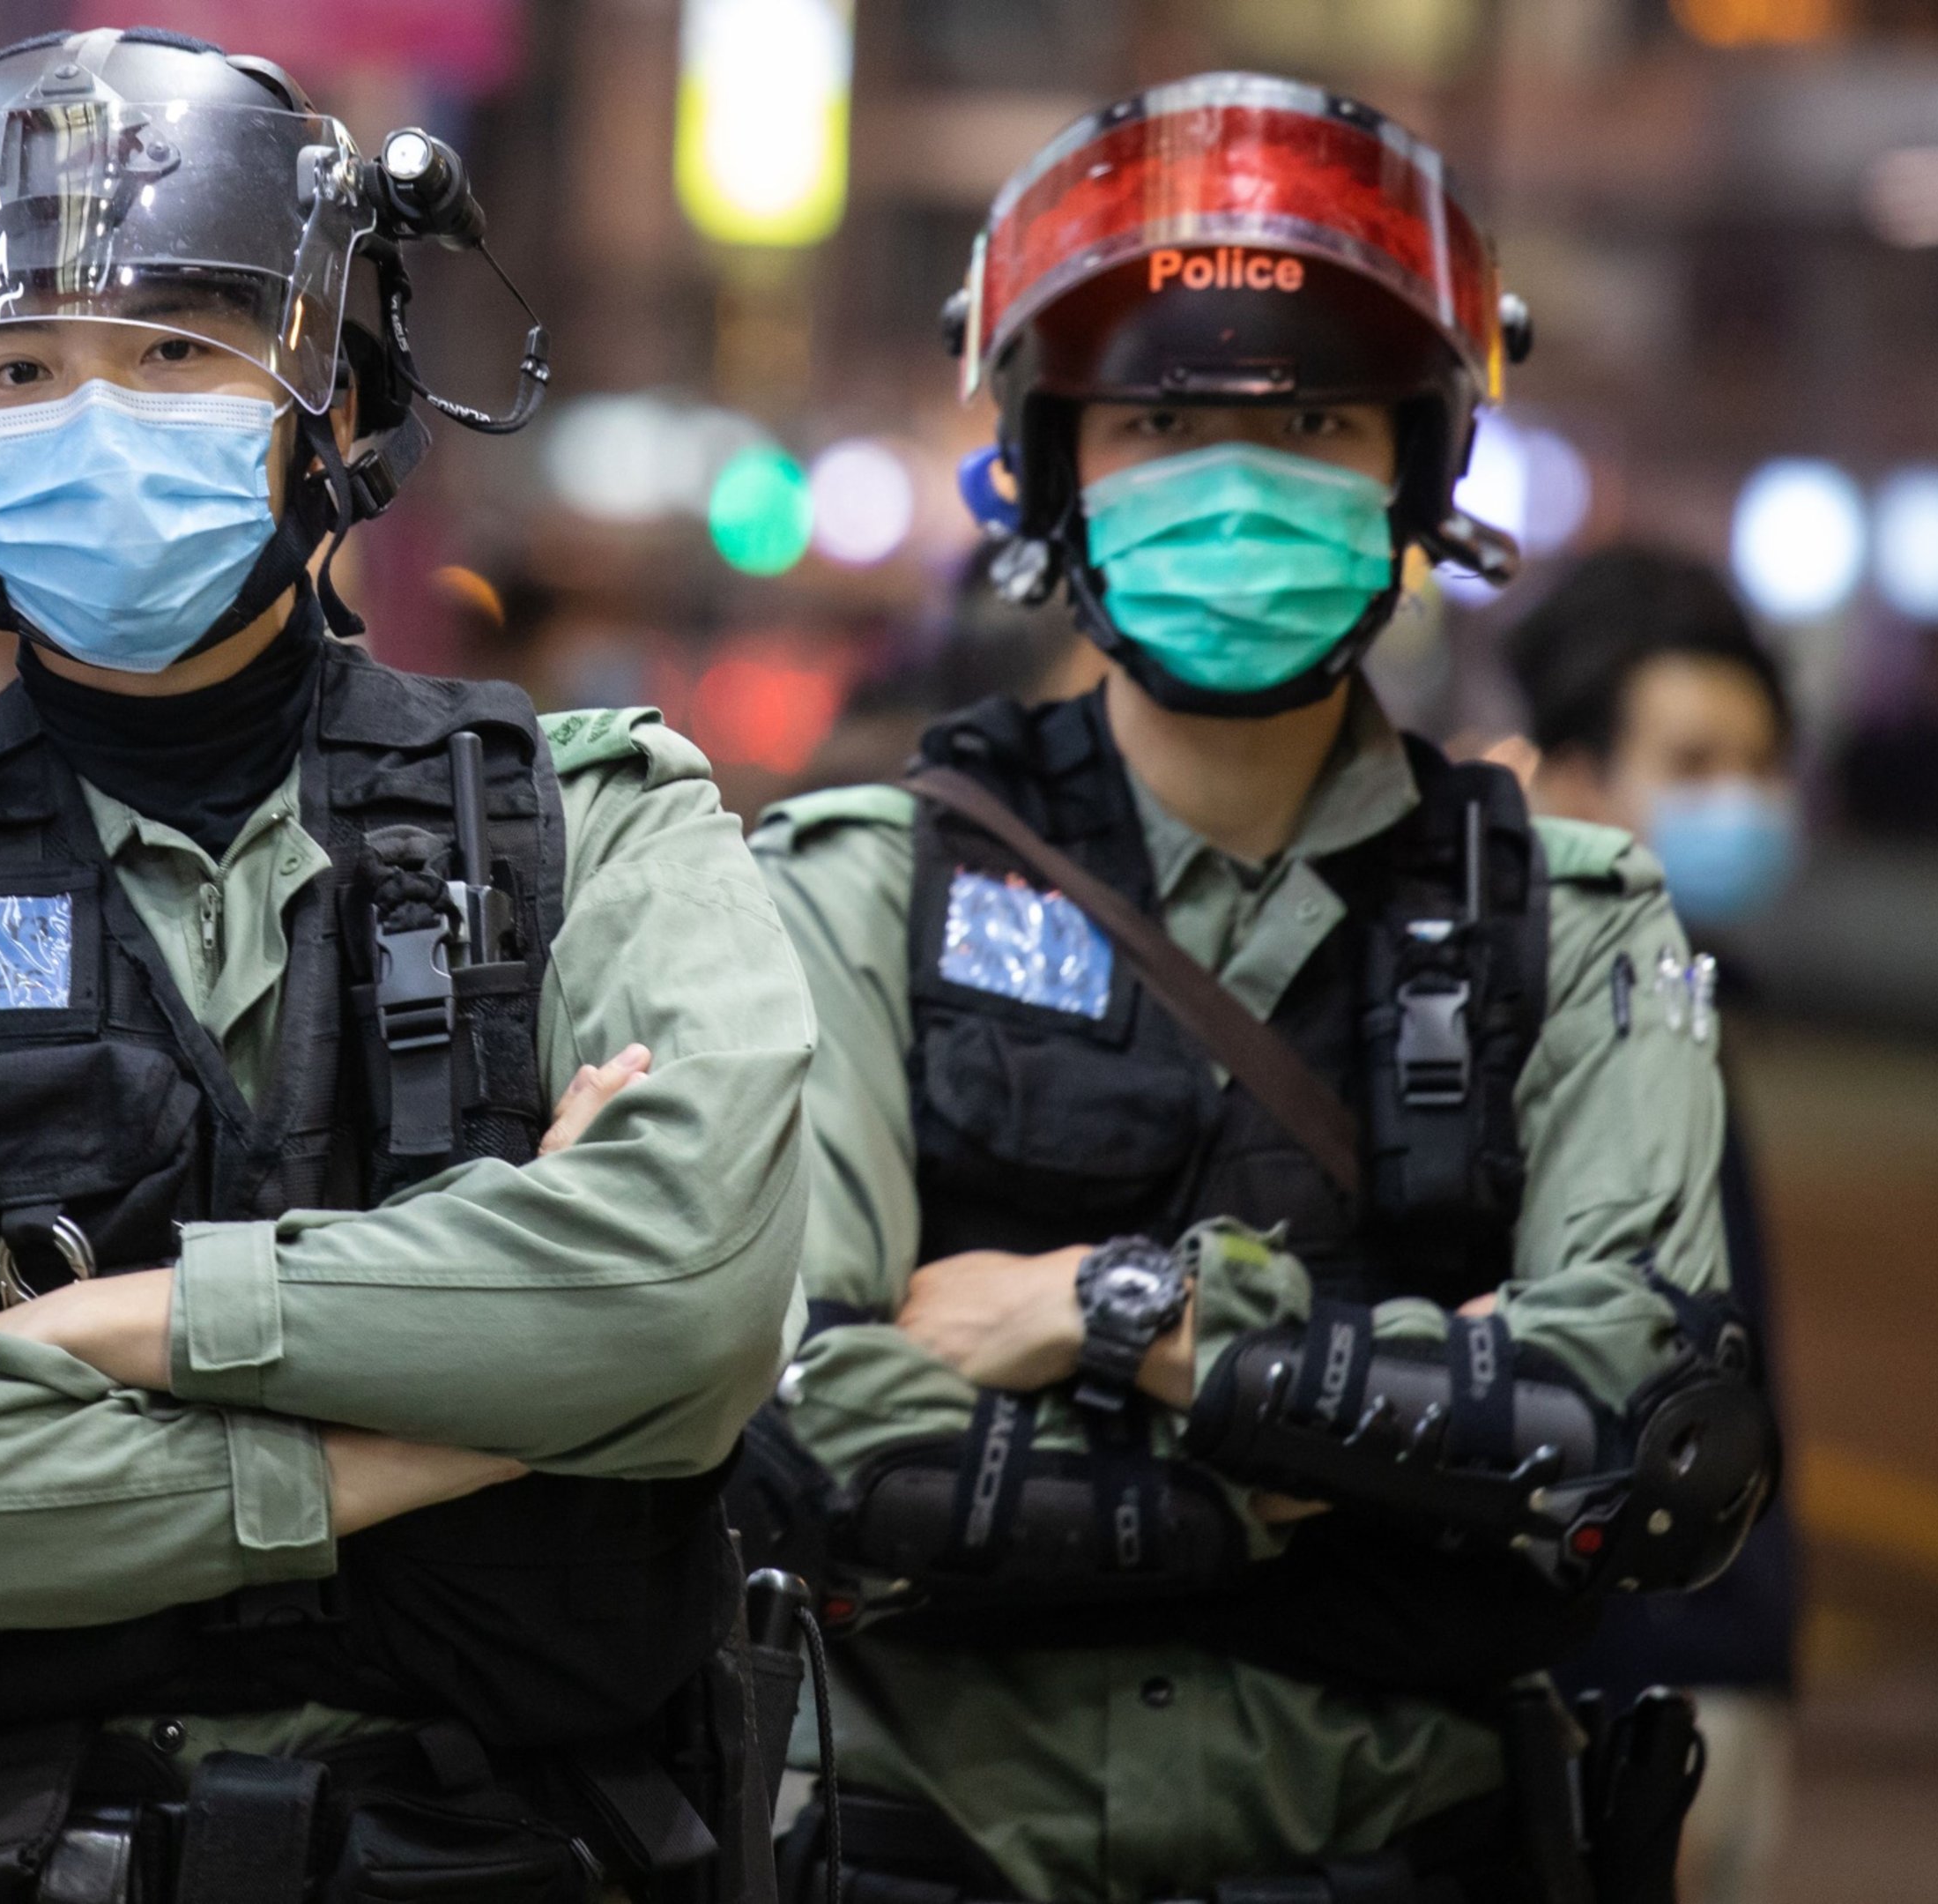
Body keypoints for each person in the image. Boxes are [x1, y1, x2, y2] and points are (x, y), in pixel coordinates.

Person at [0, 28, 810, 1904]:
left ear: (327, 396)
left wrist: (123, 1327)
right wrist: (446, 1437)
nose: (98, 417)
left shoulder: (599, 822)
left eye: (177, 350)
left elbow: (686, 1305)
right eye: (18, 371)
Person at [742, 74, 1773, 1904]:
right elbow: (804, 1438)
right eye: (1158, 418)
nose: (1234, 484)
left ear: (1418, 468)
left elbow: (1638, 1443)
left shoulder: (1573, 918)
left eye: (1308, 419)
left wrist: (1117, 1315)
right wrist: (1348, 1467)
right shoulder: (861, 886)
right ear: (1051, 465)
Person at [1503, 547, 1807, 1904]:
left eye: (1758, 764)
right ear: (1571, 780)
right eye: (1689, 763)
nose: (1735, 802)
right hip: (1611, 1681)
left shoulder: (1687, 996)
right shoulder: (1535, 1026)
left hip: (1715, 1661)